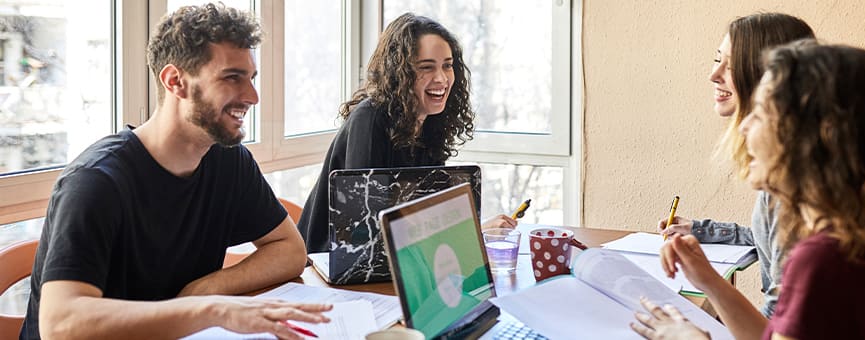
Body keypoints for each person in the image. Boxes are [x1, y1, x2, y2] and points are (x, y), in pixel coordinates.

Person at [20, 4, 331, 339]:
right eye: (232, 77)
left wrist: (204, 291)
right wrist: (211, 309)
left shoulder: (228, 160)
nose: (253, 96)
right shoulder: (95, 182)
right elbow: (60, 325)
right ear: (175, 81)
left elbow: (290, 250)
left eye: (251, 78)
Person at [634, 41, 865, 339]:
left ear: (809, 138)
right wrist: (709, 281)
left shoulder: (823, 260)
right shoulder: (856, 240)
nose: (744, 127)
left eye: (760, 113)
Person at [297, 12, 515, 253]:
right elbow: (362, 229)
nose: (442, 78)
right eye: (426, 67)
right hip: (326, 261)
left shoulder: (430, 122)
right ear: (399, 73)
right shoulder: (369, 119)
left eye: (447, 65)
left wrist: (472, 232)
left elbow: (426, 217)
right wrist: (473, 233)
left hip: (390, 258)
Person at [657, 13, 814, 316]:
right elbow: (773, 242)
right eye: (717, 60)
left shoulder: (791, 183)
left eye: (730, 66)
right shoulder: (790, 169)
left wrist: (695, 331)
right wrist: (703, 230)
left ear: (769, 78)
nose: (714, 75)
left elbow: (781, 321)